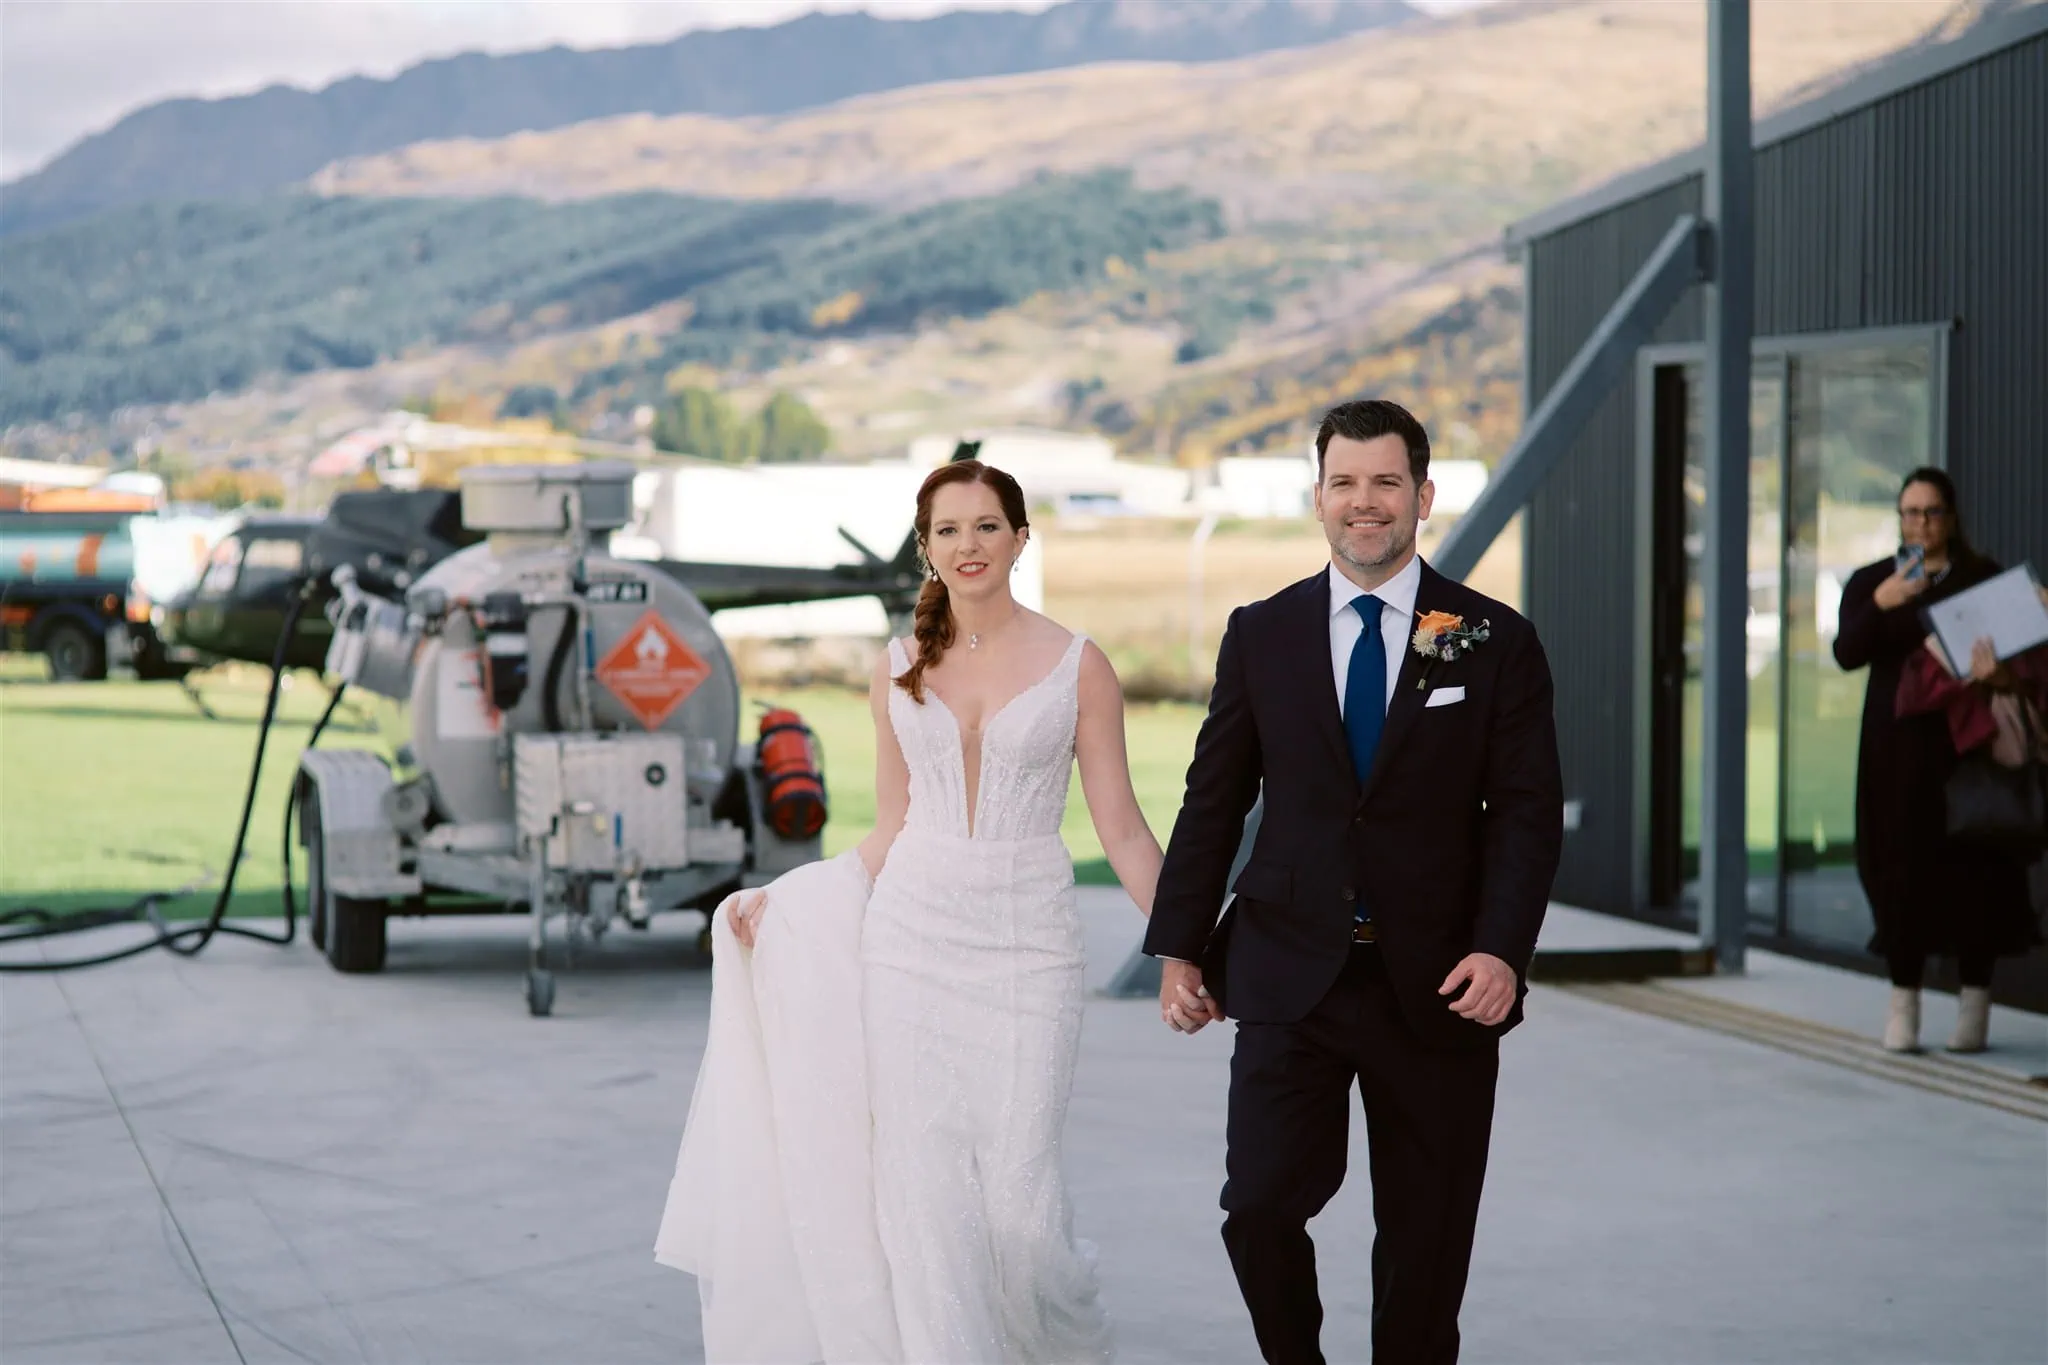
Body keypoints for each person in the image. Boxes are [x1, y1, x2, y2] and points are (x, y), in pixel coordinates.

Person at [655, 459, 1167, 1364]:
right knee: (924, 1201)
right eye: (947, 530)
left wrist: (1187, 944)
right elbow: (889, 830)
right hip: (910, 947)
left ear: (1019, 536)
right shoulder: (897, 667)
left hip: (1028, 951)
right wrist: (785, 901)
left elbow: (1122, 830)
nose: (967, 545)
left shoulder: (1079, 666)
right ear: (927, 547)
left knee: (1018, 1205)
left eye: (985, 526)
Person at [1142, 399, 1564, 1365]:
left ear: (1423, 495)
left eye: (1385, 483)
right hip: (1291, 976)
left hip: (1443, 984)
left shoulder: (1493, 639)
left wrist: (1502, 948)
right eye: (1344, 483)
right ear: (1317, 496)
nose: (1363, 503)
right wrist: (1177, 949)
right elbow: (1213, 801)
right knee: (1256, 1209)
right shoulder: (1263, 633)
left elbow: (1527, 814)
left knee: (1426, 1248)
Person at [1835, 466, 2044, 1052]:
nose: (1920, 524)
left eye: (1931, 512)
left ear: (1951, 518)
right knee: (1899, 872)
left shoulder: (1982, 579)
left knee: (1978, 873)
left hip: (1969, 751)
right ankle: (1904, 1005)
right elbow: (1846, 652)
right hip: (1895, 754)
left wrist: (1998, 674)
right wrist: (1881, 603)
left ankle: (1974, 1006)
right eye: (1909, 512)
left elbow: (2025, 663)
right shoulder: (1874, 580)